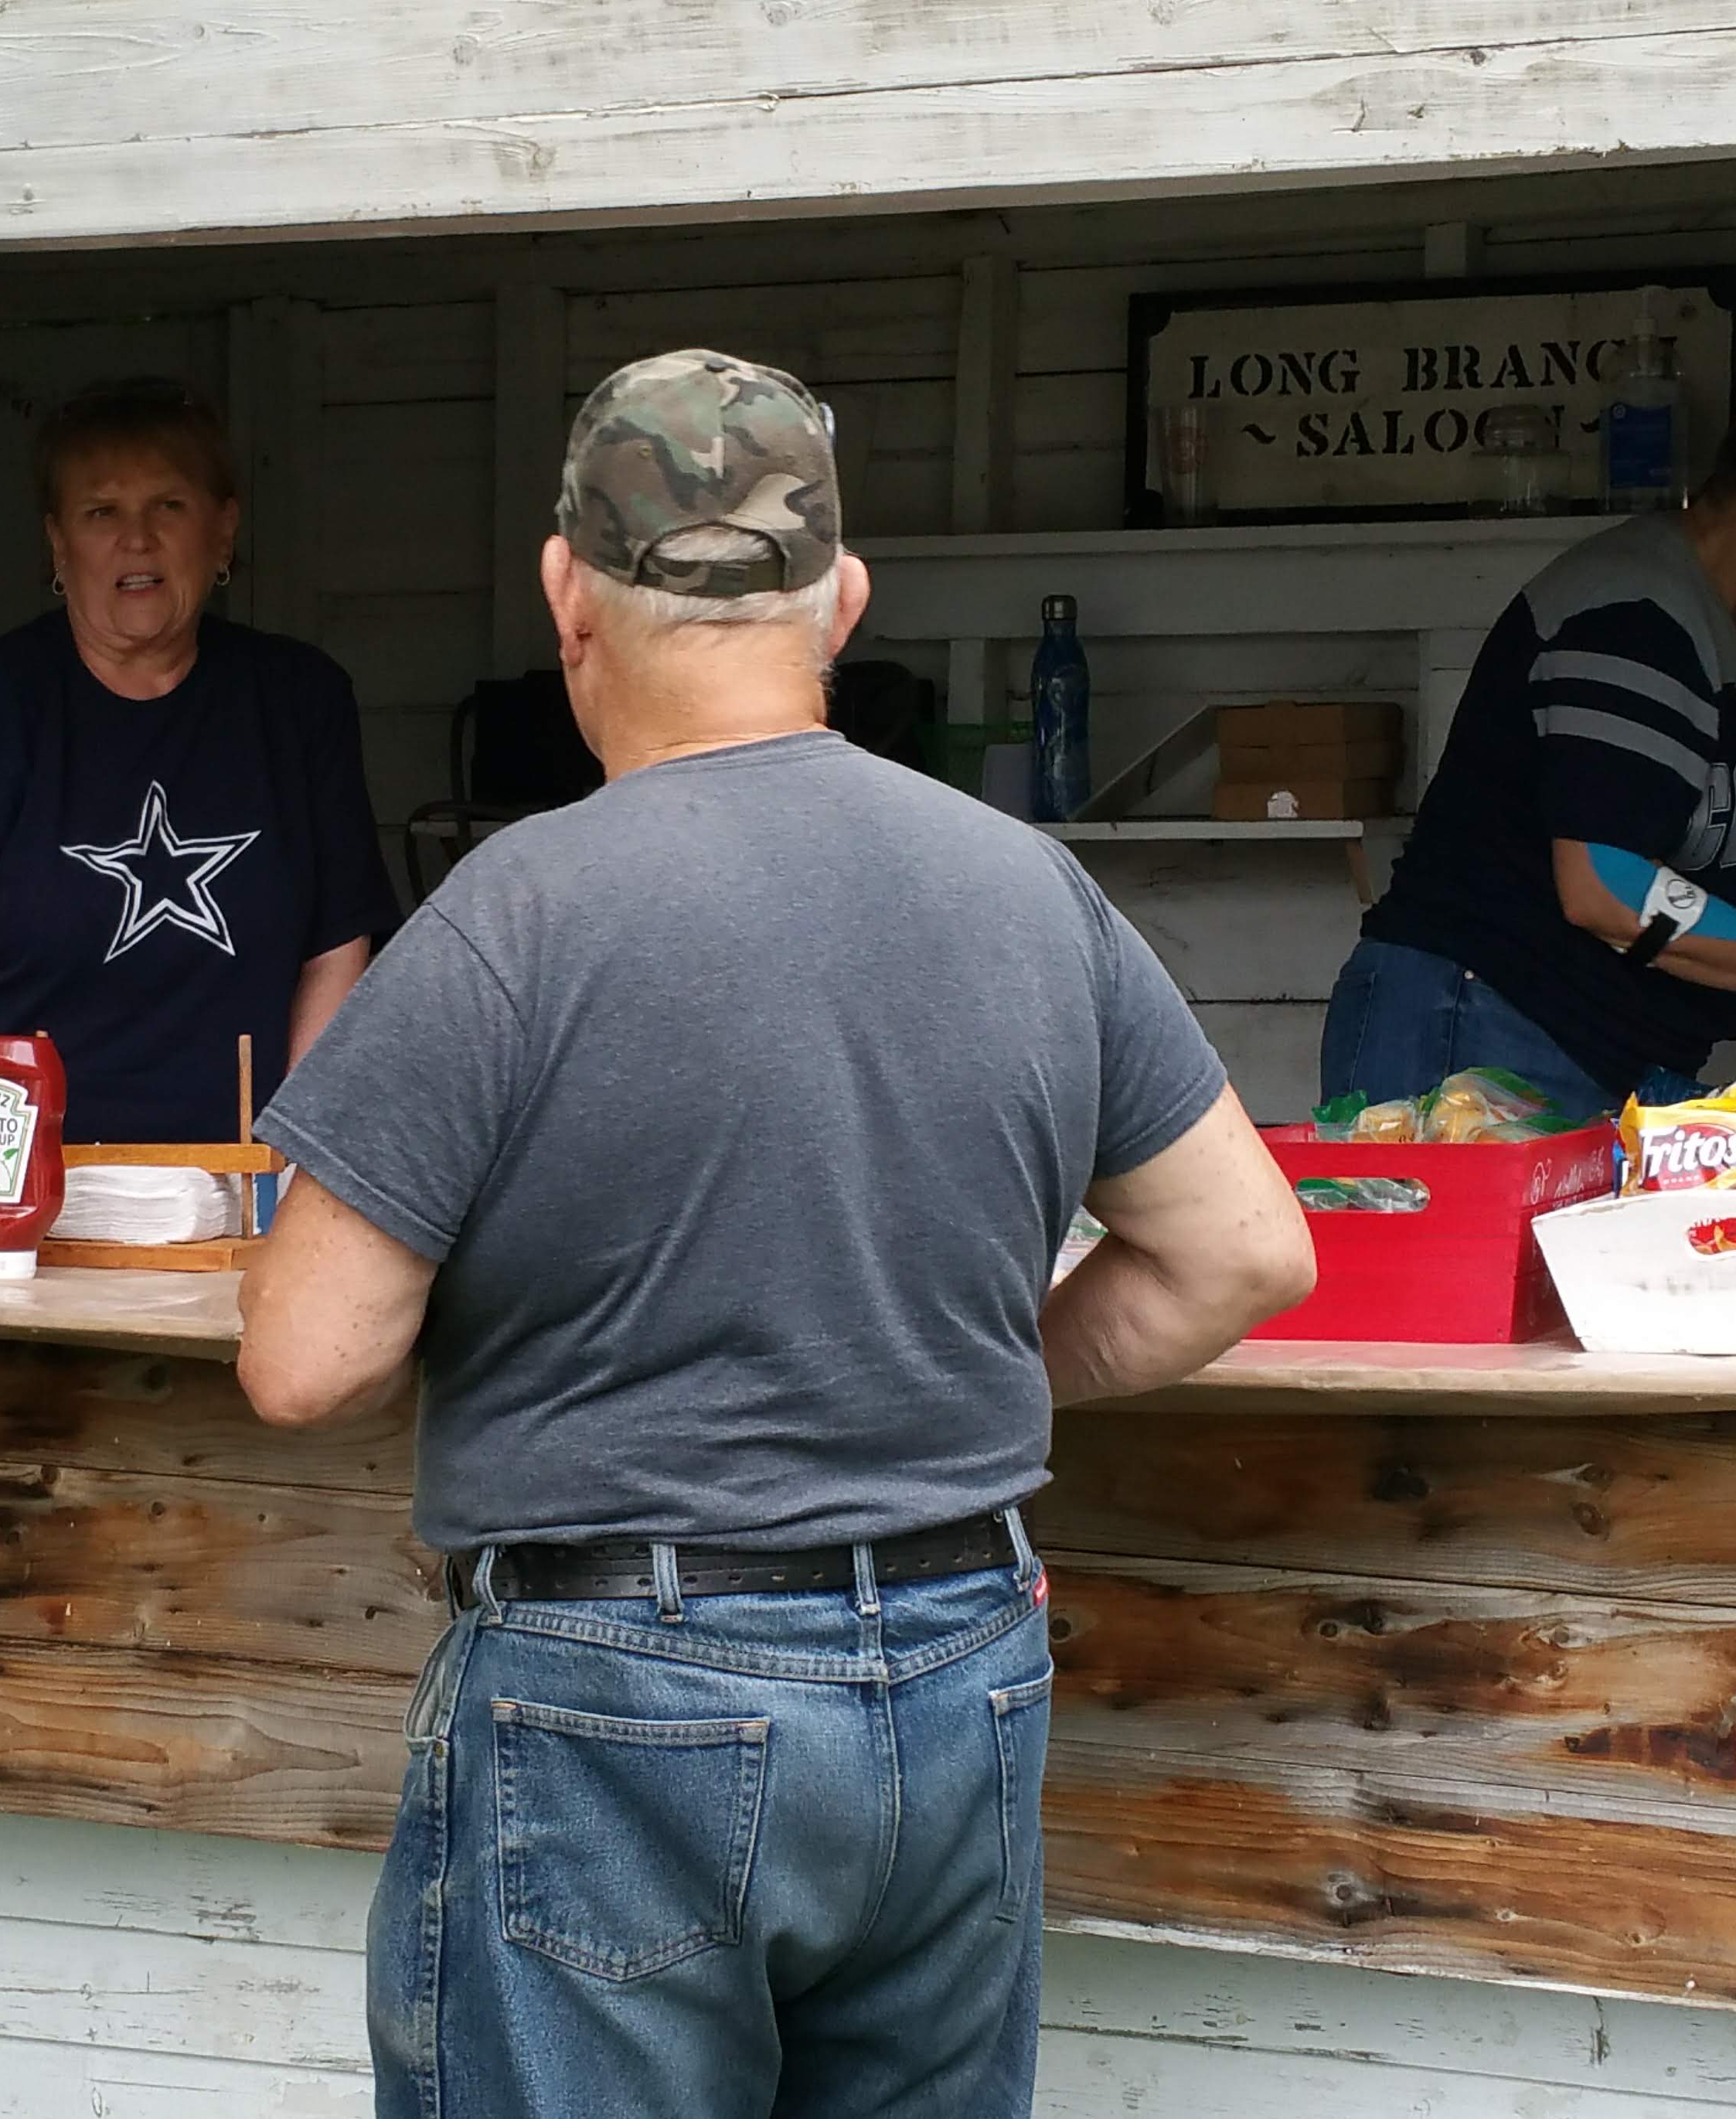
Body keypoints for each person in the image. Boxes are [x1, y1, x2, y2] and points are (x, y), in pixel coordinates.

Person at [237, 351, 1319, 2117]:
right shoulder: (1026, 887)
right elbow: (1242, 1254)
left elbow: (304, 1358)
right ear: (843, 600)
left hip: (618, 1701)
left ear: (565, 592)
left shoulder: (514, 910)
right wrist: (951, 1360)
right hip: (960, 1662)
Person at [1326, 349, 1736, 1119]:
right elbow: (1605, 889)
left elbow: (1680, 932)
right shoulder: (1634, 613)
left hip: (1577, 1055)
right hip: (1473, 1038)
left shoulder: (1712, 628)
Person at [0, 376, 403, 1141]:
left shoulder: (298, 700)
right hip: (22, 1179)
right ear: (58, 542)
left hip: (248, 1181)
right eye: (101, 512)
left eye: (168, 506)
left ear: (223, 530)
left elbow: (337, 952)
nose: (136, 540)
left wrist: (300, 1164)